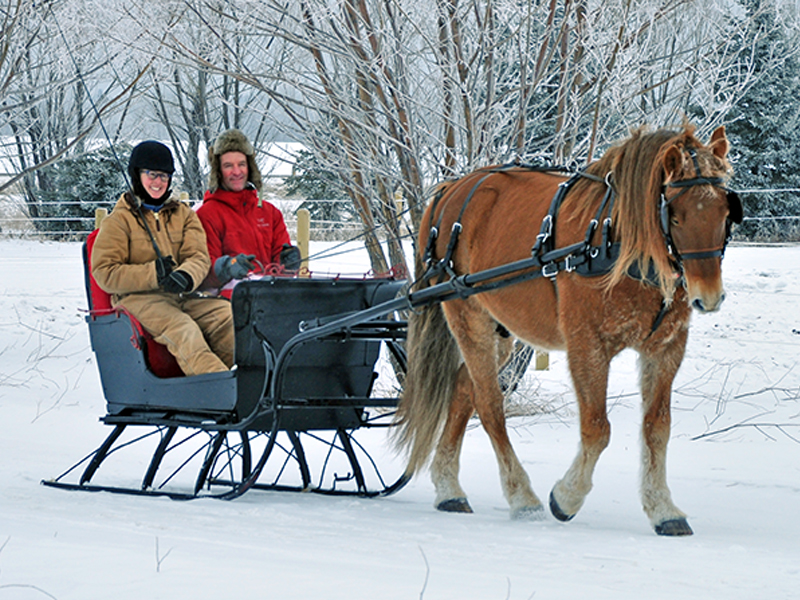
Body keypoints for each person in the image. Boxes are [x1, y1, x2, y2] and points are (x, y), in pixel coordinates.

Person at [92, 140, 235, 376]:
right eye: (152, 174)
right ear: (137, 175)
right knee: (183, 328)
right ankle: (218, 389)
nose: (158, 182)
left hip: (182, 295)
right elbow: (105, 272)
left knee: (227, 317)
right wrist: (153, 273)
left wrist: (186, 276)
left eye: (165, 176)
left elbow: (198, 256)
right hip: (138, 300)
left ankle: (229, 382)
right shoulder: (119, 221)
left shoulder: (184, 215)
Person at [196, 129, 301, 294]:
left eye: (241, 164)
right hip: (232, 302)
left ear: (250, 167)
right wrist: (227, 268)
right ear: (218, 171)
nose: (236, 172)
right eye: (228, 166)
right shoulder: (207, 214)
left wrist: (289, 264)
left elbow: (281, 273)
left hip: (272, 297)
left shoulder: (270, 213)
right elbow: (203, 276)